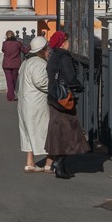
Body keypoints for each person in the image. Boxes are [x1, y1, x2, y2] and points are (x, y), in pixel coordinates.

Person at [44, 30, 89, 180]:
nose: (69, 43)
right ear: (62, 43)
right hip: (64, 99)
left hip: (54, 98)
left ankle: (61, 166)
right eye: (67, 41)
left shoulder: (53, 56)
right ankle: (59, 163)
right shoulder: (64, 57)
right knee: (69, 132)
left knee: (59, 132)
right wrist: (79, 86)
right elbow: (70, 78)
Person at [16, 35, 50, 173]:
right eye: (47, 49)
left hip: (25, 102)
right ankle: (49, 163)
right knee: (44, 131)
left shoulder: (26, 62)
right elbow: (40, 82)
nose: (48, 51)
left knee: (28, 132)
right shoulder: (39, 63)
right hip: (36, 103)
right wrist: (53, 87)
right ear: (42, 50)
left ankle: (30, 162)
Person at [1, 30, 29, 101]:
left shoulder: (5, 43)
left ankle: (10, 96)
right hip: (15, 64)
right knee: (14, 80)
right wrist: (30, 47)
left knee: (9, 81)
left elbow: (3, 50)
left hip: (6, 64)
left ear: (6, 36)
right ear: (14, 35)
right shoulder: (18, 43)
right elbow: (25, 51)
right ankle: (11, 95)